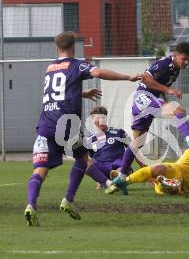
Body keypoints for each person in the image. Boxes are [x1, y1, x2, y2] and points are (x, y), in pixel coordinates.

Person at [25, 31, 142, 226]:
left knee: (40, 170)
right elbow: (98, 72)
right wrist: (127, 77)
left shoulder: (50, 68)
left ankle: (31, 205)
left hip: (45, 125)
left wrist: (81, 93)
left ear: (57, 48)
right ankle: (73, 197)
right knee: (82, 158)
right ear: (73, 48)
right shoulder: (76, 64)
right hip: (66, 125)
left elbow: (59, 93)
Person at [113, 42, 189, 192]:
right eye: (184, 59)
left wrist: (165, 97)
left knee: (137, 143)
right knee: (178, 110)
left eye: (188, 60)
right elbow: (145, 79)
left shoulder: (176, 69)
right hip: (143, 98)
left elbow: (159, 85)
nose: (186, 62)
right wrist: (169, 90)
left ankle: (120, 178)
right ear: (175, 55)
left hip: (145, 102)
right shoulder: (164, 64)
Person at [108, 142, 189, 195]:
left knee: (164, 186)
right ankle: (122, 181)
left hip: (182, 185)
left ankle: (161, 182)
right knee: (158, 169)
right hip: (175, 170)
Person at [84, 106, 133, 192]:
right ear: (92, 120)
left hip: (118, 166)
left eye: (103, 117)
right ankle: (106, 181)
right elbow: (92, 159)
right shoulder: (89, 140)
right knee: (84, 163)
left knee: (120, 170)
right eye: (97, 118)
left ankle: (115, 179)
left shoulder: (119, 132)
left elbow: (133, 149)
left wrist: (144, 168)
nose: (101, 120)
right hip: (102, 168)